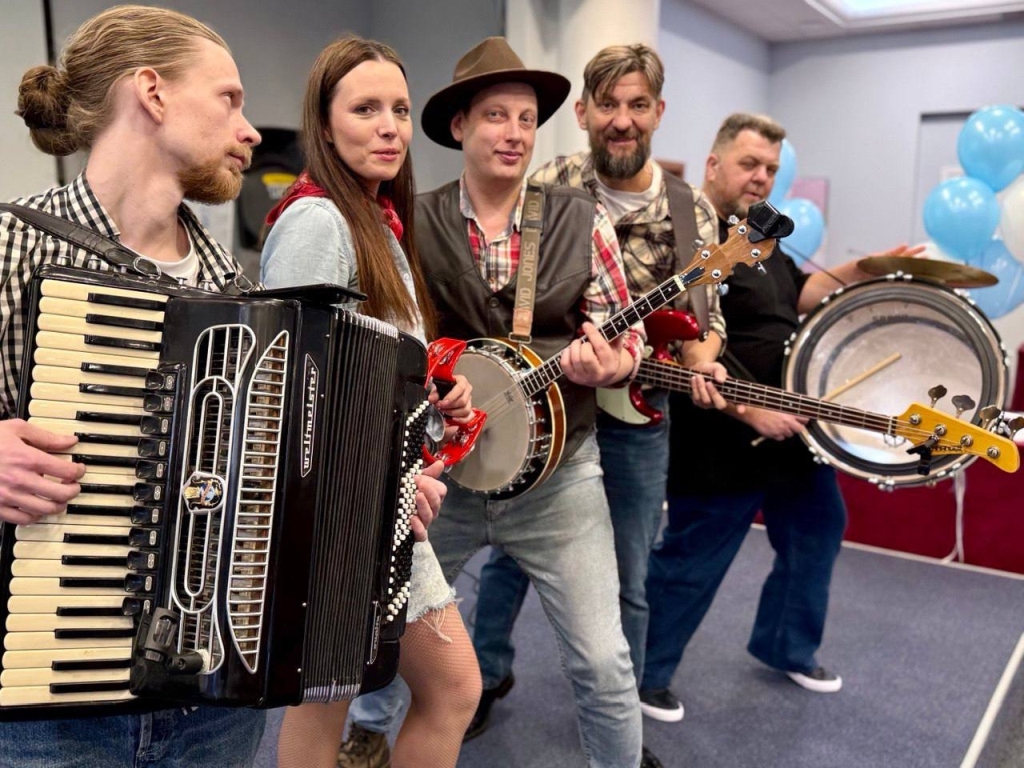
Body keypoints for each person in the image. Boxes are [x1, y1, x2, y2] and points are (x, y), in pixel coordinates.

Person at [342, 36, 662, 768]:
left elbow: (629, 342)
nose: (514, 133)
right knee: (383, 634)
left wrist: (612, 363)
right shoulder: (402, 220)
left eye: (525, 118)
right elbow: (375, 340)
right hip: (437, 477)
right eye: (495, 115)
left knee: (603, 661)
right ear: (459, 126)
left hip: (558, 480)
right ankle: (362, 740)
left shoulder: (584, 219)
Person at [0, 6, 268, 766]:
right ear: (152, 92)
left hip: (214, 701)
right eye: (230, 98)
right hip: (47, 713)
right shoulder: (13, 244)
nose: (250, 131)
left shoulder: (238, 293)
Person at [465, 42, 727, 741]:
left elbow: (706, 316)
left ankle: (618, 719)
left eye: (637, 104)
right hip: (554, 407)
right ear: (581, 111)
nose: (621, 119)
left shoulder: (688, 207)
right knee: (509, 557)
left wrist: (704, 360)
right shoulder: (550, 181)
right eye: (607, 104)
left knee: (630, 574)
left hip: (641, 416)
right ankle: (485, 675)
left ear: (657, 112)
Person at [639, 112, 921, 720]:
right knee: (694, 555)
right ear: (714, 165)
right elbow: (684, 341)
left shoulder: (760, 238)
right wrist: (748, 409)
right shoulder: (690, 237)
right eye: (749, 164)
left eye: (769, 167)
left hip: (794, 426)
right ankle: (644, 672)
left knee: (818, 527)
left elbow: (795, 297)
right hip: (718, 429)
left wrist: (864, 266)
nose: (761, 177)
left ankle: (784, 646)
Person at [259, 37, 481, 768]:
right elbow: (286, 396)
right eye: (365, 109)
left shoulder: (374, 218)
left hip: (372, 506)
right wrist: (394, 475)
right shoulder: (320, 220)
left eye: (399, 110)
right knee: (446, 689)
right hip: (342, 515)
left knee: (328, 698)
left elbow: (367, 369)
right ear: (324, 126)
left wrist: (430, 397)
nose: (389, 126)